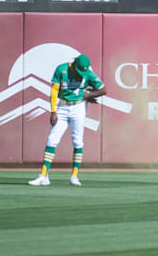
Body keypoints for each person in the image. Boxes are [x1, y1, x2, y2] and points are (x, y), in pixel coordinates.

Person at [28, 54, 105, 187]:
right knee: (52, 140)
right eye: (80, 70)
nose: (82, 73)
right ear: (74, 64)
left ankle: (74, 176)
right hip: (62, 107)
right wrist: (53, 110)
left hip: (78, 107)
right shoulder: (62, 69)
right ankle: (43, 176)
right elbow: (54, 91)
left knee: (77, 141)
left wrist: (89, 95)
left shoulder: (88, 73)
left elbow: (103, 89)